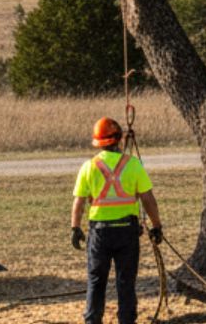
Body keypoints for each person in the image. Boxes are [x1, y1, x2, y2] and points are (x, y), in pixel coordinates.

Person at [71, 116, 164, 324]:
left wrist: (75, 227)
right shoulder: (133, 164)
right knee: (126, 282)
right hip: (126, 232)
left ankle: (92, 320)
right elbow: (148, 199)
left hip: (99, 233)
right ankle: (126, 320)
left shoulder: (89, 166)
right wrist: (157, 225)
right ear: (120, 139)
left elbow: (79, 202)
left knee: (96, 281)